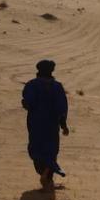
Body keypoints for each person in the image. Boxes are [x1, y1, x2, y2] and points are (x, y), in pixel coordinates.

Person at [21, 60, 69, 192]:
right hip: (51, 124)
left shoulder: (31, 84)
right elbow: (61, 107)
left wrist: (26, 103)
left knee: (36, 148)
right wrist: (63, 124)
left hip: (35, 122)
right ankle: (49, 173)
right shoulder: (57, 86)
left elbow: (27, 103)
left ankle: (44, 172)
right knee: (51, 149)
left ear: (38, 70)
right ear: (51, 71)